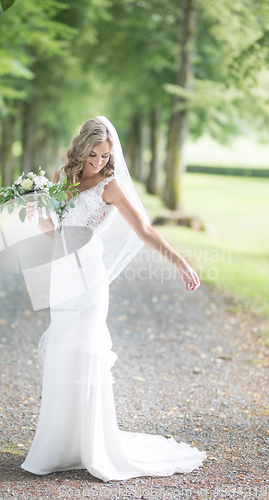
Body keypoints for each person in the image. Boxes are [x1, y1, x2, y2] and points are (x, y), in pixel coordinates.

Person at [21, 116, 206, 482]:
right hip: (63, 278)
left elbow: (145, 230)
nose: (100, 162)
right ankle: (60, 445)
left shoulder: (111, 186)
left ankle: (93, 445)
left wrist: (180, 262)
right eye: (94, 154)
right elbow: (54, 234)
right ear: (81, 147)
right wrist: (34, 215)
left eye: (106, 156)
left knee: (86, 350)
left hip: (90, 280)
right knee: (63, 351)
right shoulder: (61, 178)